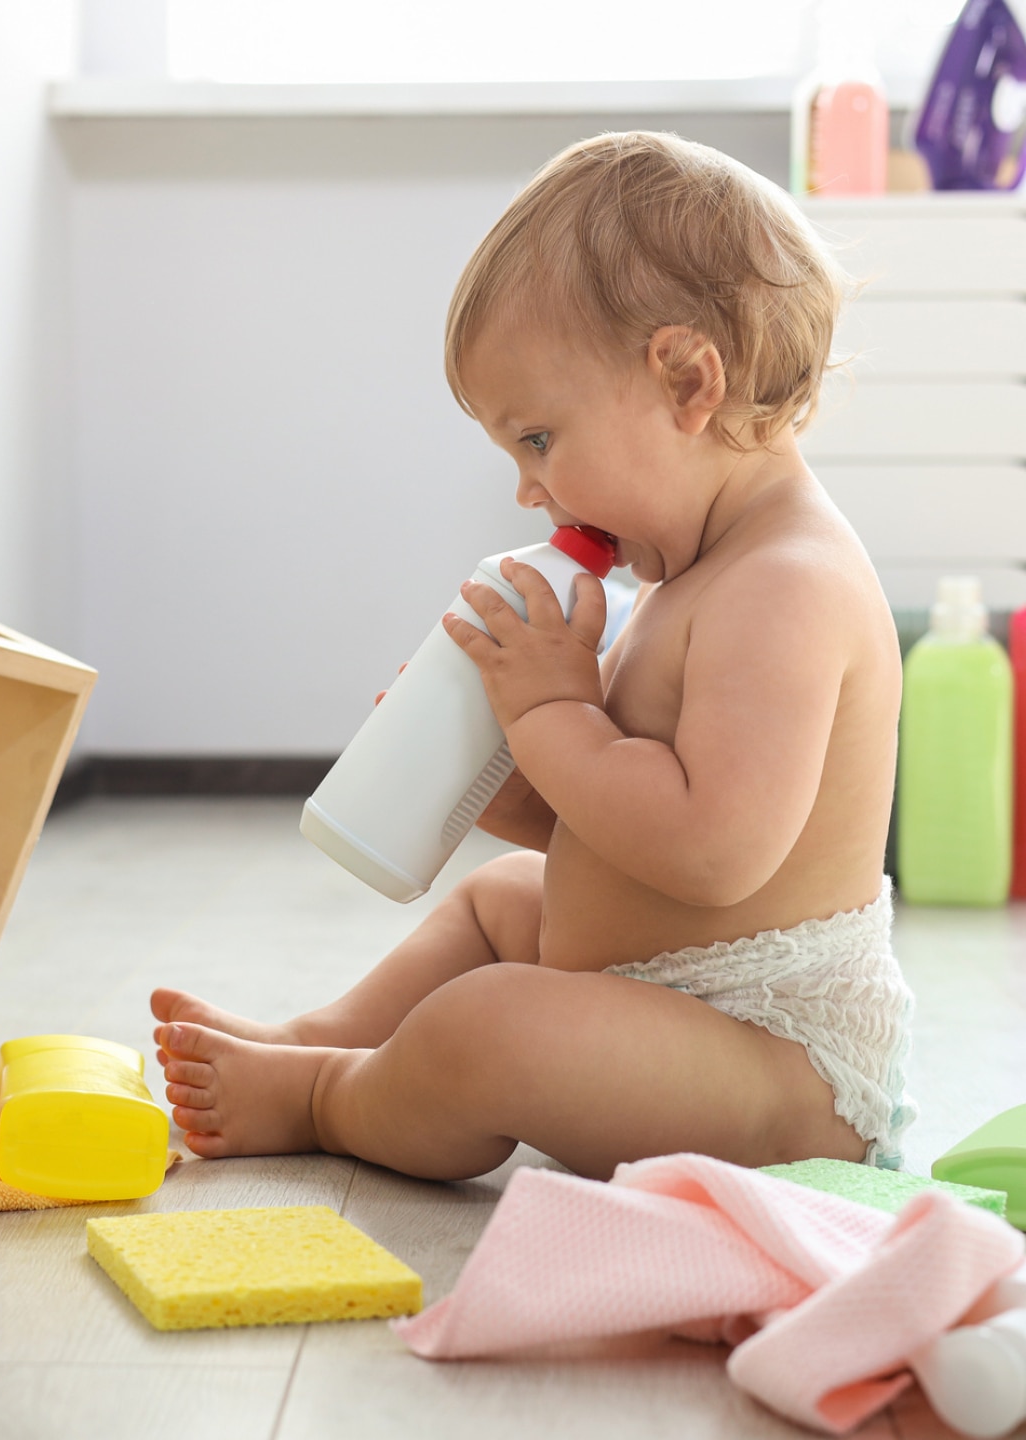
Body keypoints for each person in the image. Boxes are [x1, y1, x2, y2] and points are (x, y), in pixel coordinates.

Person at [151, 131, 915, 1182]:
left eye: (540, 440)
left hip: (775, 1074)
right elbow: (621, 829)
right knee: (501, 895)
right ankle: (315, 1037)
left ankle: (331, 1098)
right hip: (672, 1002)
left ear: (688, 382)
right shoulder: (685, 575)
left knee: (492, 1023)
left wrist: (553, 714)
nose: (528, 488)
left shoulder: (786, 587)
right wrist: (509, 777)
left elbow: (710, 852)